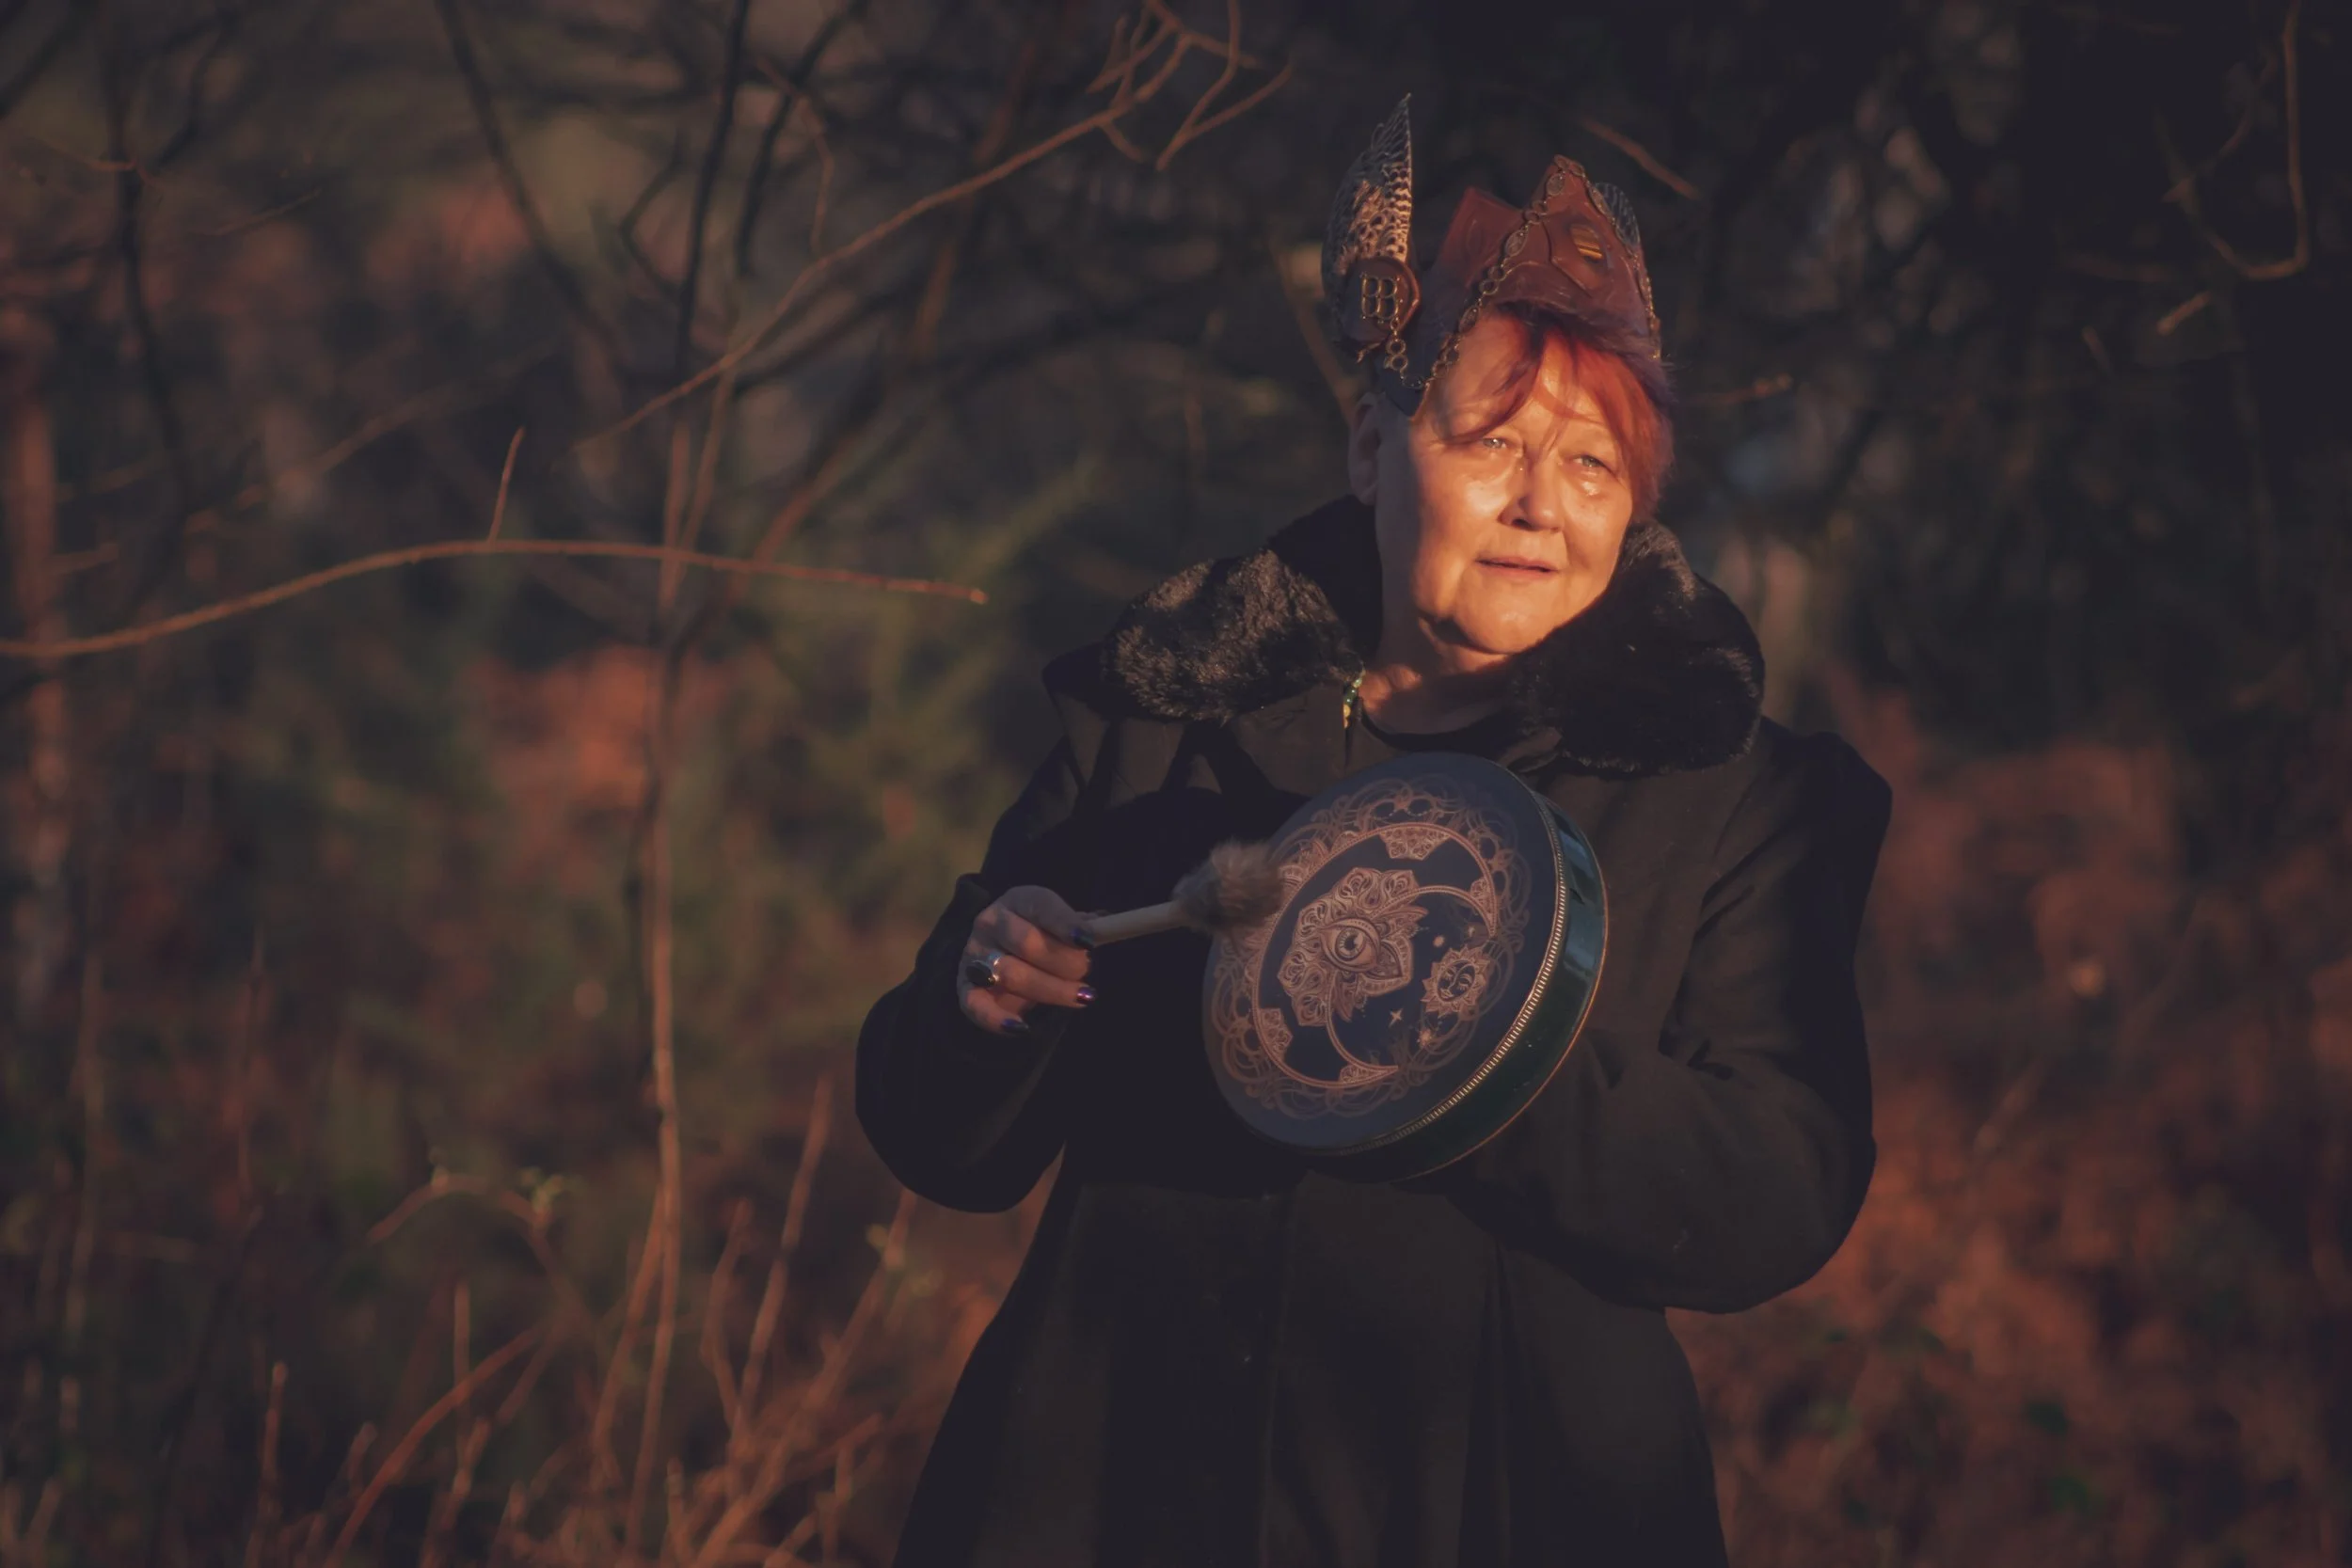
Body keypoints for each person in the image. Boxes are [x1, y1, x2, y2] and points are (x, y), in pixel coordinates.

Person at [857, 99, 1890, 1568]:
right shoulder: (1167, 715)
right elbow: (937, 1136)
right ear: (1370, 446)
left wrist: (1486, 1051)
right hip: (1114, 1484)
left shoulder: (1726, 791)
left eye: (1593, 466)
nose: (1542, 504)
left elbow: (1780, 1187)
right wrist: (985, 1012)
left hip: (1504, 1505)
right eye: (1493, 441)